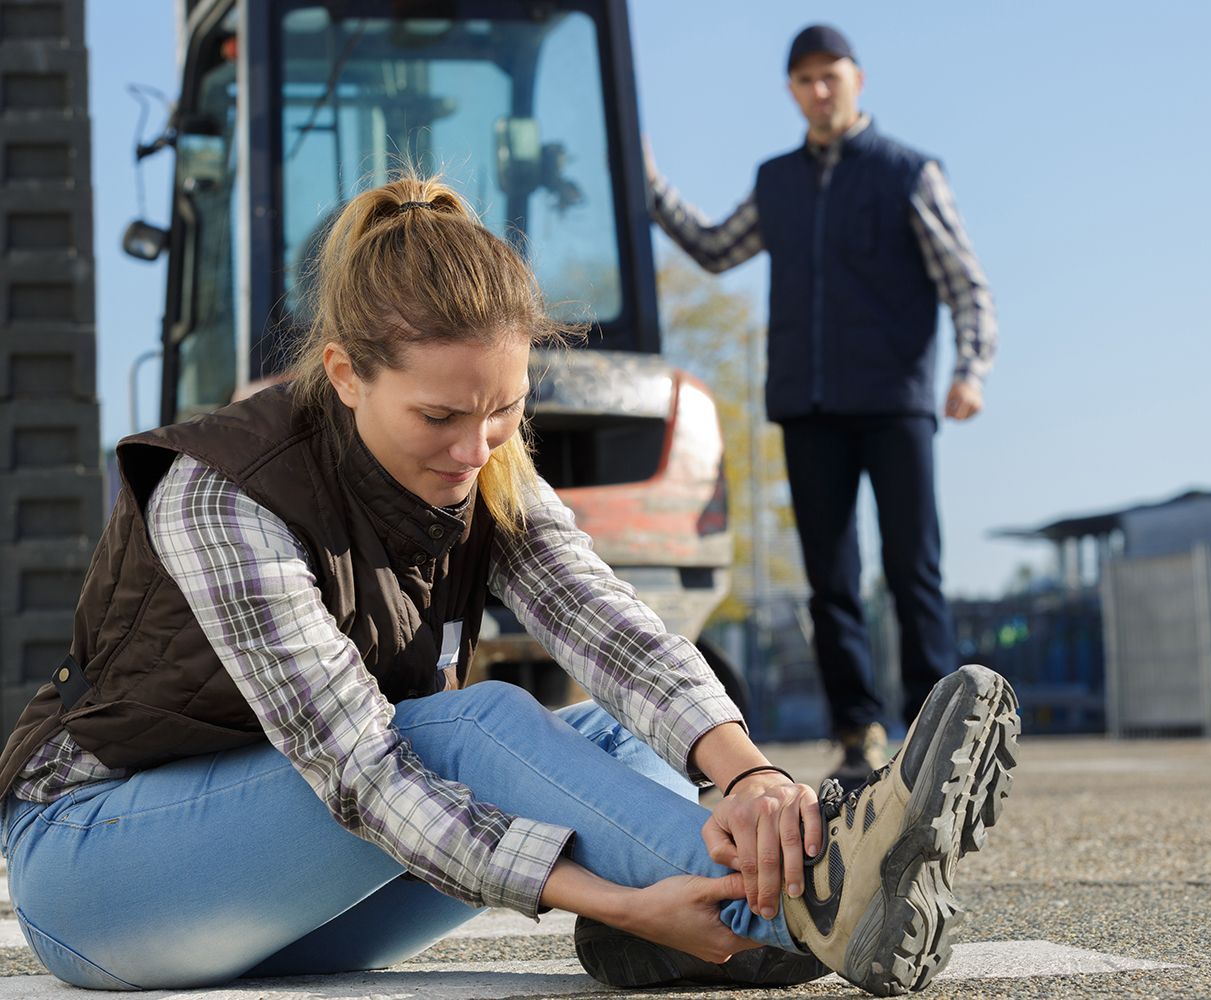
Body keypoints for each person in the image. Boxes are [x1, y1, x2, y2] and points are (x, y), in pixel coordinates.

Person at [0, 175, 1018, 996]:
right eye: (440, 416)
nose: (474, 446)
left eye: (503, 410)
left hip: (289, 895)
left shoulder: (486, 468)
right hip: (101, 881)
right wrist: (609, 897)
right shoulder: (222, 492)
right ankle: (801, 899)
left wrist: (748, 776)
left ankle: (723, 915)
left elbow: (609, 629)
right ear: (346, 373)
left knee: (614, 740)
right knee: (465, 727)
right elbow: (364, 771)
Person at [647, 24, 999, 788]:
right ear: (791, 91)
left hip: (896, 403)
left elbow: (965, 283)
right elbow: (715, 248)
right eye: (804, 80)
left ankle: (942, 731)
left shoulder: (909, 173)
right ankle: (856, 733)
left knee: (912, 570)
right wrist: (647, 183)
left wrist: (971, 369)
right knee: (831, 582)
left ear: (856, 80)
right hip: (808, 407)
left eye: (829, 76)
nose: (818, 90)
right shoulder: (777, 182)